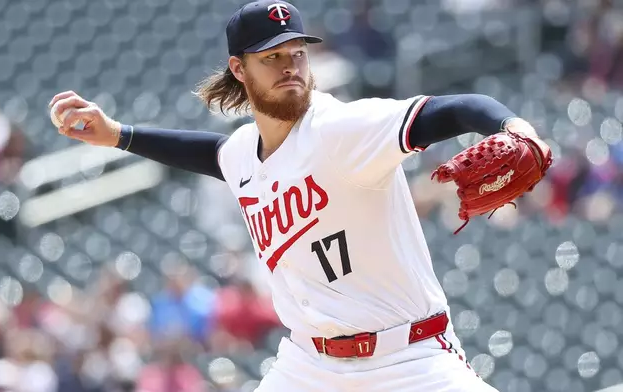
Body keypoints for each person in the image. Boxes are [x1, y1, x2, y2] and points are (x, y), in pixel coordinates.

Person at [48, 2, 543, 390]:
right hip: (310, 366)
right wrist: (117, 134)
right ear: (239, 70)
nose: (290, 66)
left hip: (408, 357)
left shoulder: (343, 128)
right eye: (273, 57)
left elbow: (453, 109)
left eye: (297, 53)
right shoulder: (244, 153)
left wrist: (513, 127)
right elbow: (211, 153)